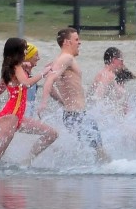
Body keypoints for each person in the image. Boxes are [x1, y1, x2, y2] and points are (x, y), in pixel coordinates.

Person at [38, 27, 109, 163]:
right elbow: (49, 80)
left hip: (73, 114)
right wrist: (44, 103)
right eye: (76, 39)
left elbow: (50, 84)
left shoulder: (59, 60)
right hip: (78, 115)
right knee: (99, 151)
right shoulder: (66, 58)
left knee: (91, 150)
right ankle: (111, 172)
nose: (79, 42)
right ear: (67, 42)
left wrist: (62, 102)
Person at [0, 39, 57, 164]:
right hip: (10, 116)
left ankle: (26, 162)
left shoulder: (11, 67)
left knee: (51, 134)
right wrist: (44, 72)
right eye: (24, 49)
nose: (26, 51)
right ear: (18, 51)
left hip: (16, 116)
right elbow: (26, 84)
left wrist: (12, 75)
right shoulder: (16, 67)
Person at [91, 47, 129, 115]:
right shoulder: (108, 75)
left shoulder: (101, 74)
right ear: (114, 60)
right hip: (110, 121)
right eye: (121, 61)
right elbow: (97, 97)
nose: (123, 64)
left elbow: (91, 97)